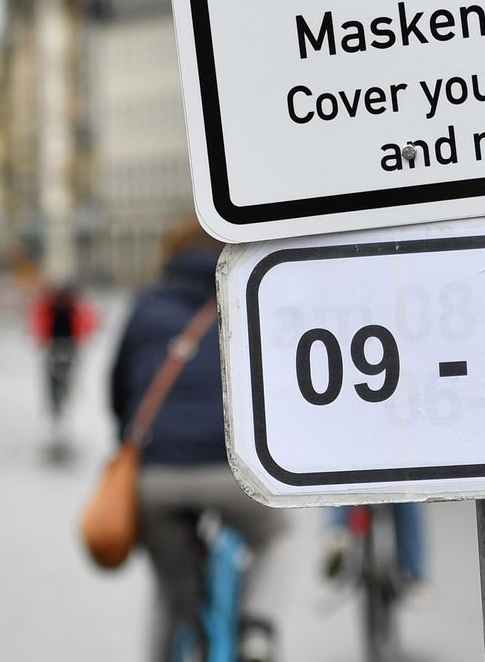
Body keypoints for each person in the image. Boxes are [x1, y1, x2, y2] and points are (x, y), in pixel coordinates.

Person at [110, 221, 284, 662]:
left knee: (171, 594)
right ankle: (256, 629)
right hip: (234, 475)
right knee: (278, 534)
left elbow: (117, 390)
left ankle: (179, 637)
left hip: (158, 478)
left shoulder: (146, 305)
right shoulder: (249, 295)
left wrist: (136, 446)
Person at [29, 282, 95, 423]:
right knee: (52, 376)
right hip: (53, 345)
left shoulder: (75, 308)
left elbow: (87, 323)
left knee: (68, 374)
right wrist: (42, 340)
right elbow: (38, 322)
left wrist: (82, 339)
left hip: (70, 345)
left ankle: (65, 397)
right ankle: (55, 405)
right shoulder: (49, 307)